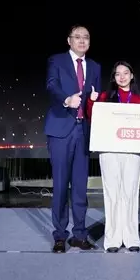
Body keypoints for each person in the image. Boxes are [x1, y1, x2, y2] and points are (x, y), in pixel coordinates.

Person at [44, 25, 101, 253]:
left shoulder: (95, 66)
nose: (82, 40)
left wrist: (95, 99)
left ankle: (79, 234)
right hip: (61, 129)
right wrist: (66, 100)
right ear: (69, 40)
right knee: (60, 185)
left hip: (83, 130)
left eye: (86, 37)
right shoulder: (56, 60)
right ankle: (60, 235)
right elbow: (51, 85)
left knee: (80, 186)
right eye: (77, 37)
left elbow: (94, 99)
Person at [87, 61, 140, 253]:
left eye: (125, 73)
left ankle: (131, 238)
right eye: (118, 74)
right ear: (114, 77)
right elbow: (92, 117)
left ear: (131, 75)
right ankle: (112, 239)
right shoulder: (105, 96)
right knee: (112, 194)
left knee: (130, 193)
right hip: (109, 150)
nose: (122, 77)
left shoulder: (138, 100)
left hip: (132, 151)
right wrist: (92, 101)